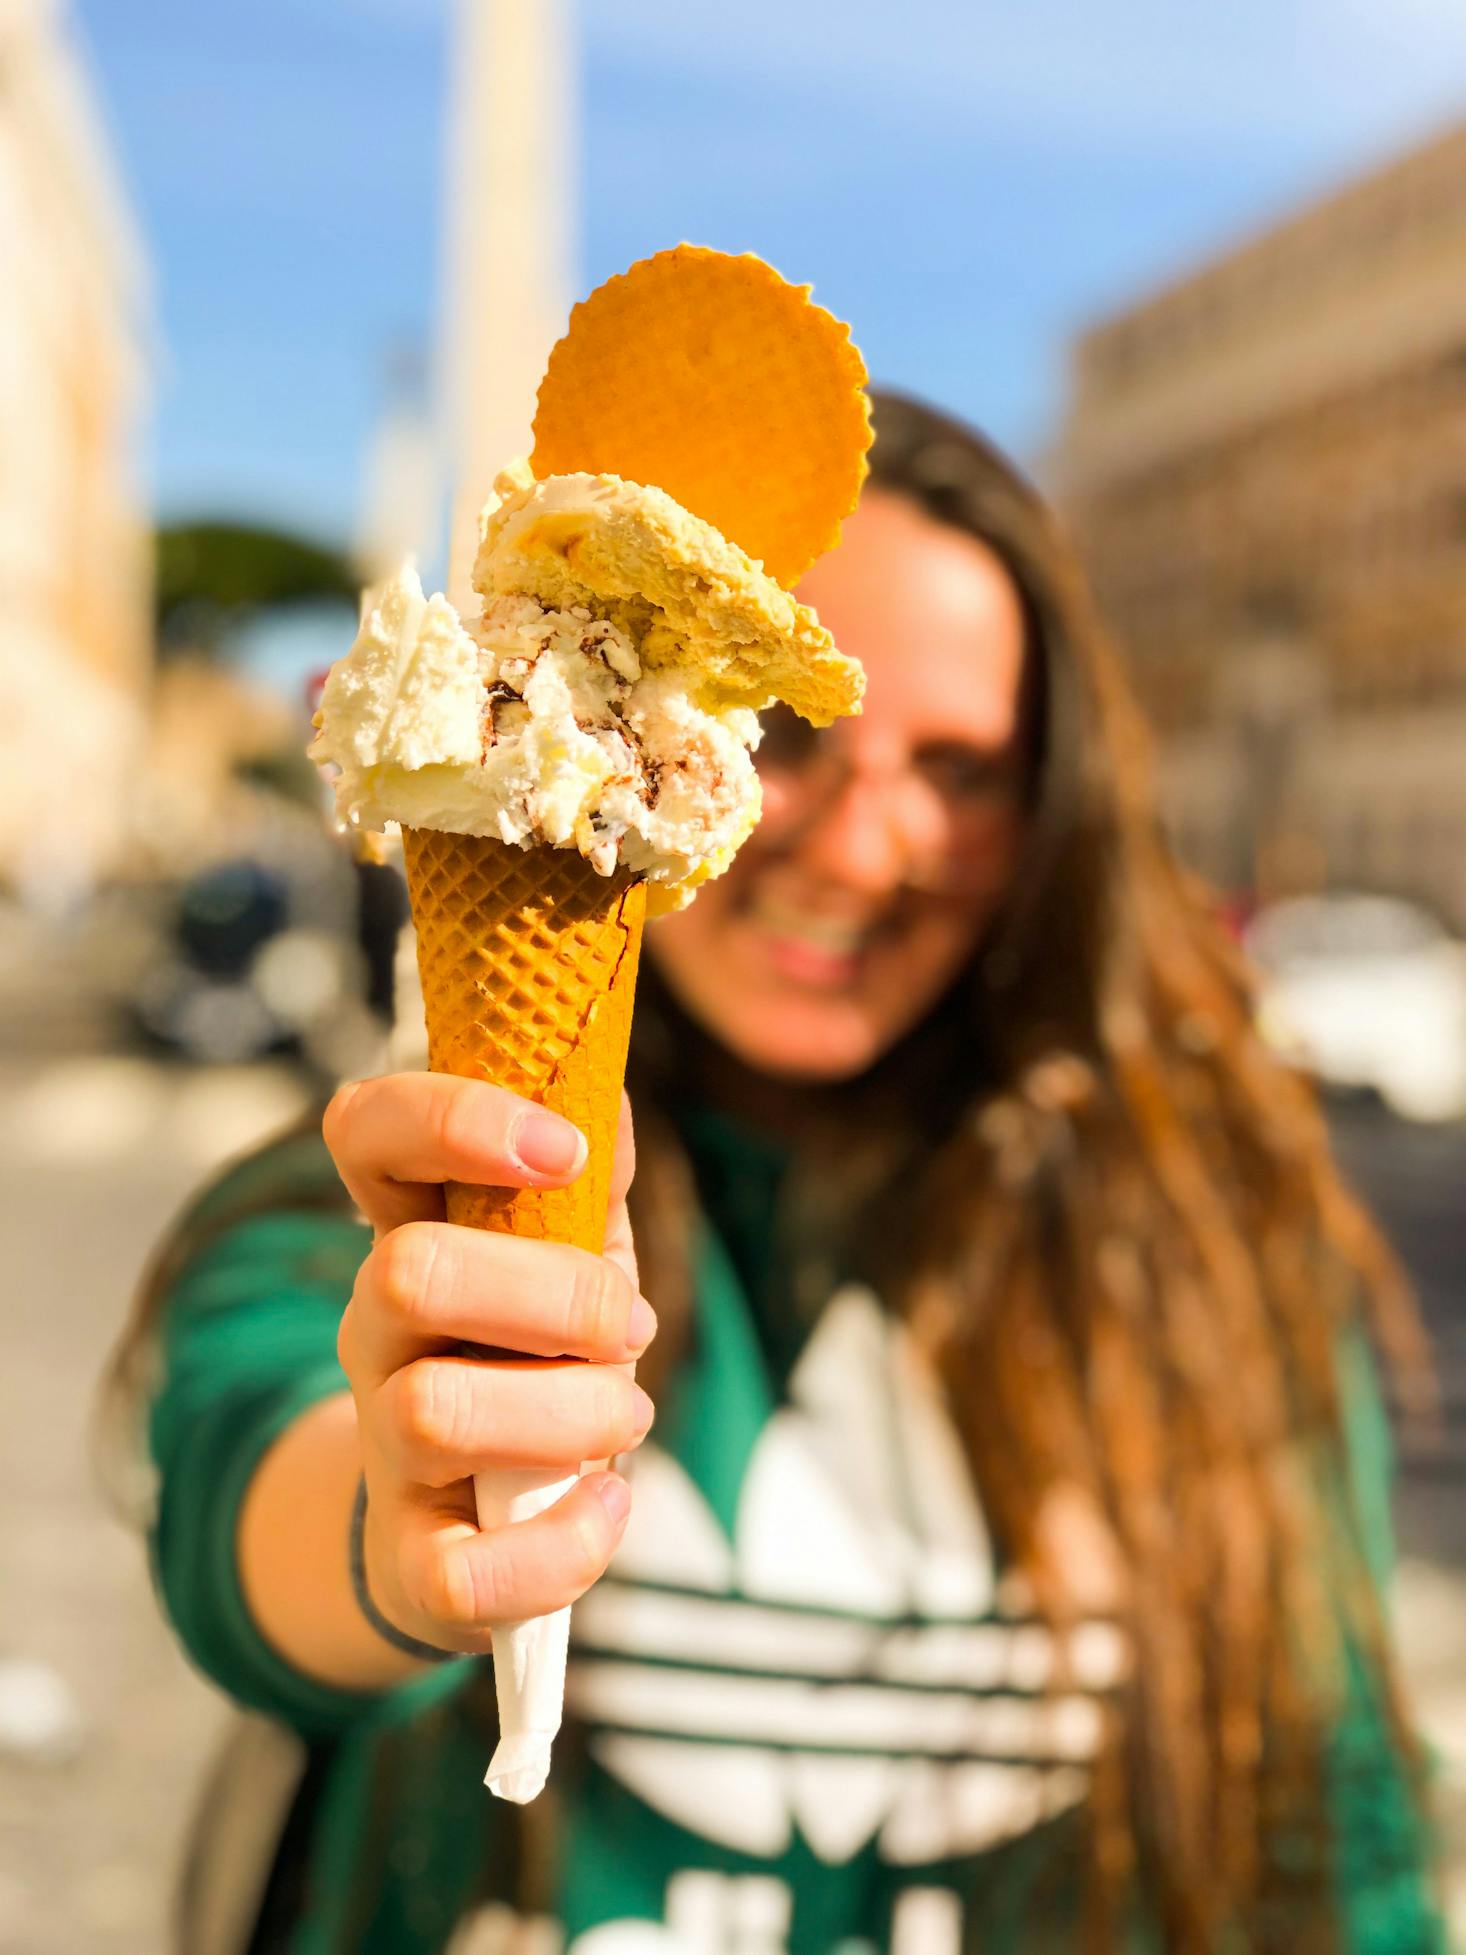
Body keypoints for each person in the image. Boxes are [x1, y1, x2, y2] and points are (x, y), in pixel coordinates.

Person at [114, 393, 1444, 1955]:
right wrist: (404, 1516)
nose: (871, 845)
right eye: (795, 734)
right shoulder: (403, 1172)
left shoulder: (1206, 1242)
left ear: (1055, 809)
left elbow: (1335, 1814)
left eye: (960, 768)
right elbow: (248, 1502)